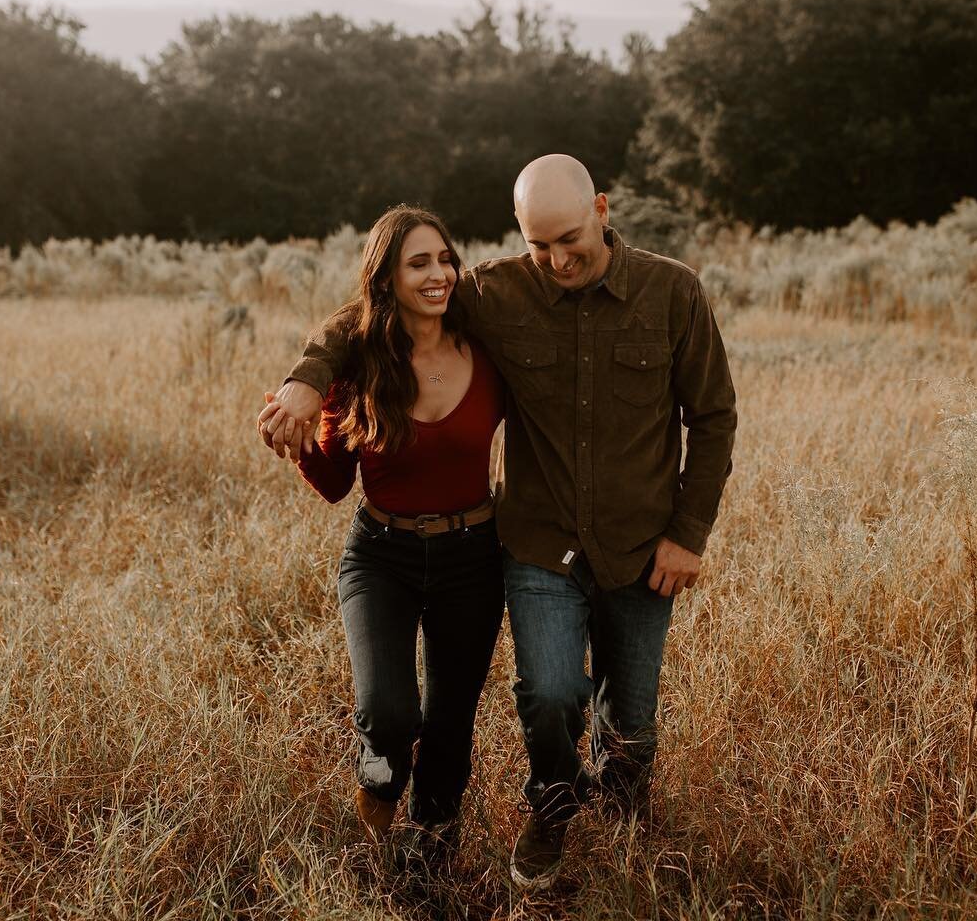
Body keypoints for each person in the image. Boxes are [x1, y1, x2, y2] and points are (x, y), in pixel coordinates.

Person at [259, 155, 736, 889]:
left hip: (643, 546)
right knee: (549, 696)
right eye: (539, 245)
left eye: (570, 239)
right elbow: (371, 312)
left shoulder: (673, 291)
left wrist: (688, 533)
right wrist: (305, 379)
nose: (558, 260)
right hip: (539, 545)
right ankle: (550, 809)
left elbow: (713, 417)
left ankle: (625, 834)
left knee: (630, 728)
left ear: (602, 209)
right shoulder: (497, 293)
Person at [267, 205, 505, 872]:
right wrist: (298, 437)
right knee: (388, 713)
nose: (438, 275)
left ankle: (432, 845)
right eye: (417, 263)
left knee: (451, 721)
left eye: (444, 259)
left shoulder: (486, 352)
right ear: (386, 279)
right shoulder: (359, 367)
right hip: (381, 556)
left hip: (473, 558)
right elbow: (333, 483)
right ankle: (377, 784)